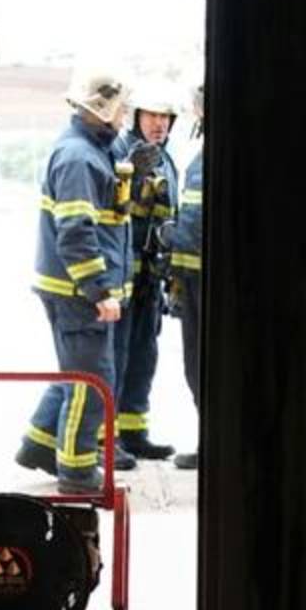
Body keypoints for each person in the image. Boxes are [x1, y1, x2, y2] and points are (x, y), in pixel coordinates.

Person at [14, 70, 141, 493]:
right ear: (102, 111)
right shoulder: (79, 159)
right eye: (121, 110)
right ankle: (77, 471)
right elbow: (76, 232)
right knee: (93, 380)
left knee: (76, 371)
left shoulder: (91, 151)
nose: (125, 118)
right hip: (78, 293)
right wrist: (99, 290)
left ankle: (39, 443)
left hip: (73, 290)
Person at [108, 85, 181, 461]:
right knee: (115, 356)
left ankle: (135, 433)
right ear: (136, 116)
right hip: (124, 276)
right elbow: (109, 210)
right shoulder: (120, 153)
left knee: (143, 355)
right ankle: (109, 439)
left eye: (166, 117)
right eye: (152, 115)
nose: (159, 124)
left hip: (152, 279)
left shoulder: (167, 160)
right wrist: (131, 176)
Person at [171, 85, 205, 470]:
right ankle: (209, 439)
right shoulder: (202, 155)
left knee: (206, 367)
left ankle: (215, 442)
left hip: (210, 285)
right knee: (194, 366)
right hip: (191, 282)